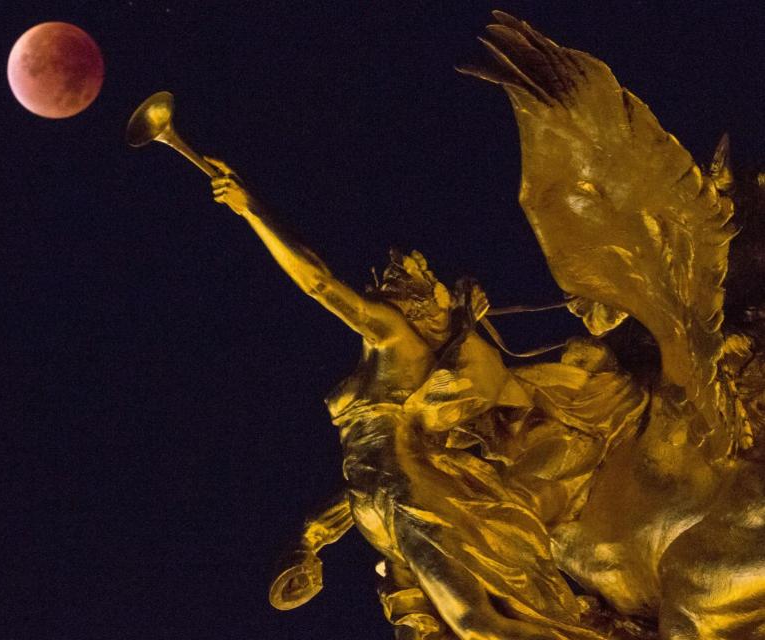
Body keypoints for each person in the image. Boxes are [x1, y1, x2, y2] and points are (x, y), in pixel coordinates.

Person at [205, 157, 606, 640]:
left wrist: (251, 210)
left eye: (394, 282)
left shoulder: (394, 337)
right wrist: (311, 538)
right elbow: (368, 468)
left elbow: (318, 283)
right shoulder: (382, 367)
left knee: (476, 626)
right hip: (379, 508)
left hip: (409, 497)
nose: (379, 287)